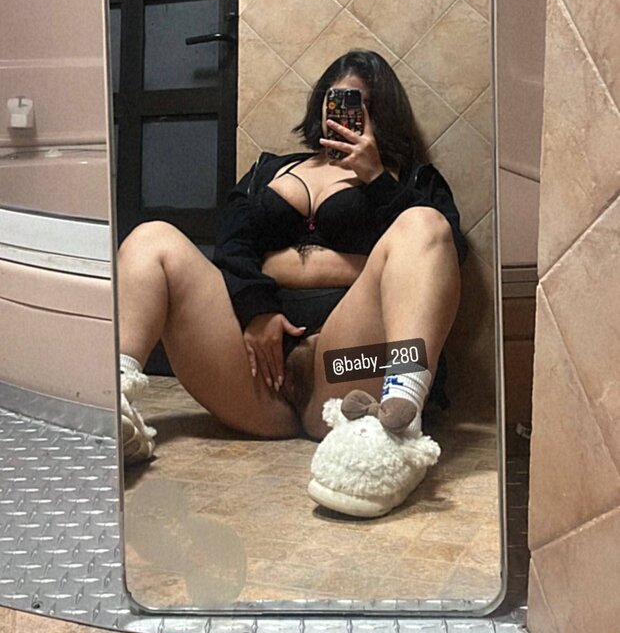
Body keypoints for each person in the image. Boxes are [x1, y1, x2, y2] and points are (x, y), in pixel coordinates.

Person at [119, 50, 466, 511]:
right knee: (151, 240)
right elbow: (233, 246)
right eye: (332, 99)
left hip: (346, 369)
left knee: (424, 224)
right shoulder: (269, 170)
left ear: (380, 113)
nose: (340, 112)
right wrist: (258, 310)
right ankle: (115, 400)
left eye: (357, 103)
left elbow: (441, 259)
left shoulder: (411, 181)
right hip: (257, 373)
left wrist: (376, 178)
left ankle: (397, 425)